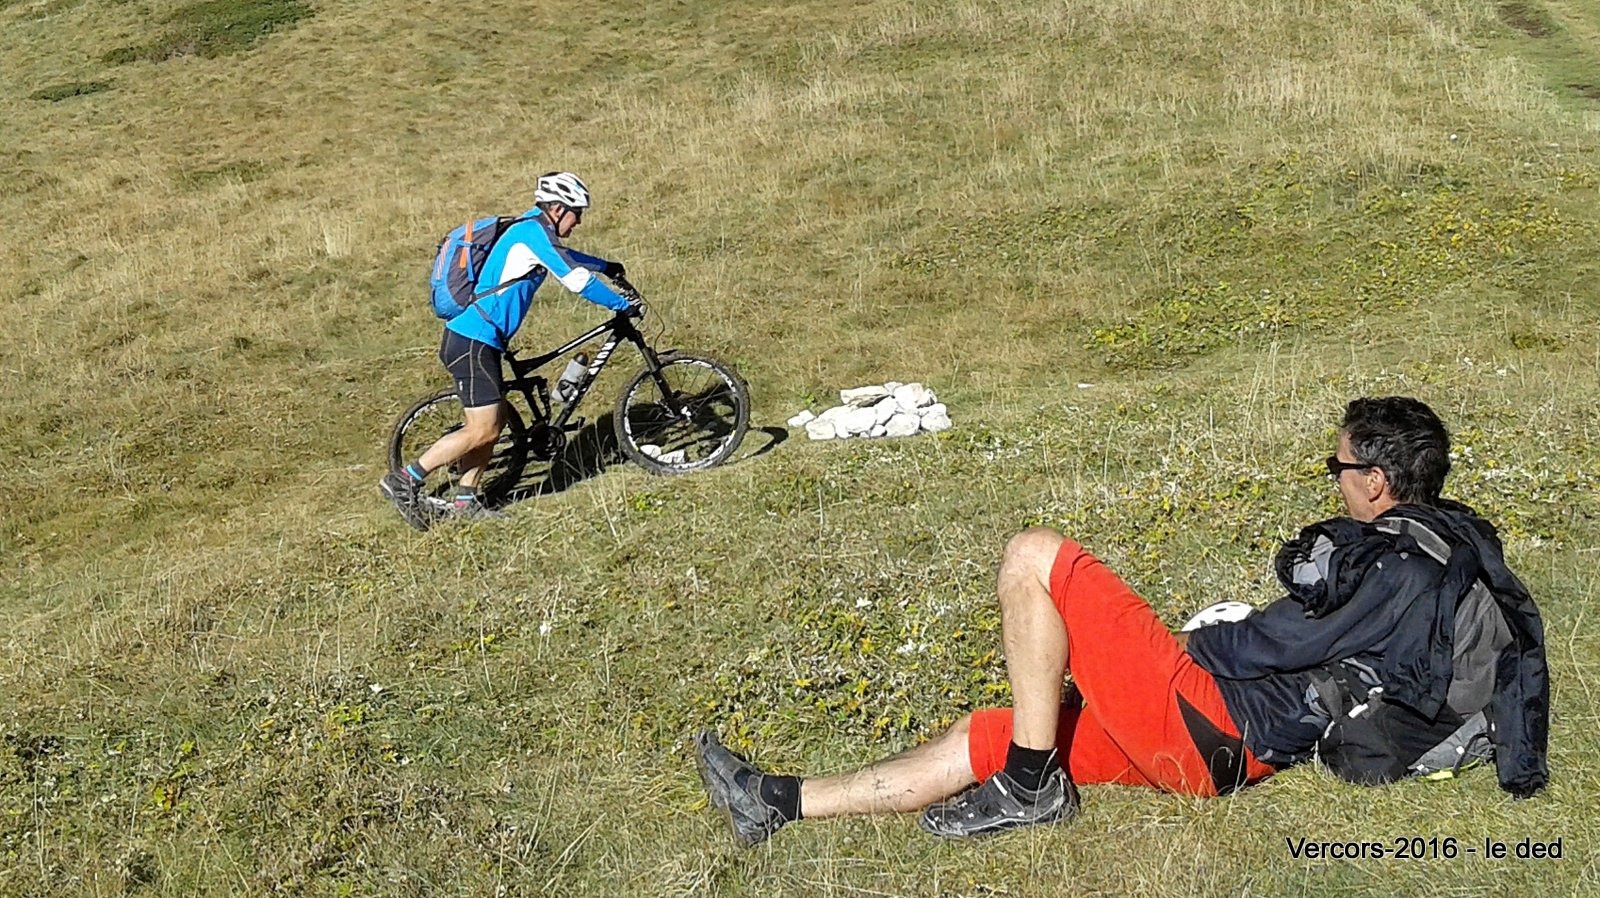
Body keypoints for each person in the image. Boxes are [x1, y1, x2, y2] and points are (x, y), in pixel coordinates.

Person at [695, 397, 1548, 846]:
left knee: (1036, 555)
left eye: (1340, 464)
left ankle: (1031, 791)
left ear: (1377, 477)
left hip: (1217, 726)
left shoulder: (1398, 563)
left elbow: (1283, 642)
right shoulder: (1448, 547)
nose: (1334, 478)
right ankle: (777, 803)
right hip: (1219, 752)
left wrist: (1170, 648)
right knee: (1001, 729)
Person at [381, 172, 639, 529]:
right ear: (556, 208)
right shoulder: (529, 233)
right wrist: (620, 303)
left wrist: (606, 266)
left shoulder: (536, 231)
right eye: (576, 212)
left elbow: (570, 257)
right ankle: (404, 481)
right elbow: (574, 278)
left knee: (496, 422)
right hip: (473, 341)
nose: (579, 221)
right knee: (483, 430)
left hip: (485, 340)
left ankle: (465, 501)